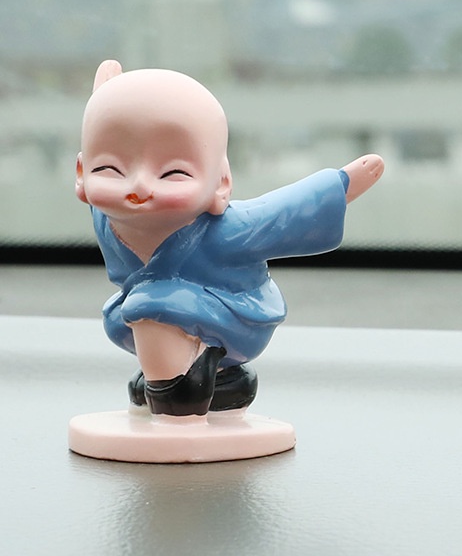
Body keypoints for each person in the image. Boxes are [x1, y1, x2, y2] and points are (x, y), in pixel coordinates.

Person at [76, 60, 384, 417]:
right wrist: (106, 96)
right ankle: (208, 377)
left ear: (221, 183)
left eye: (173, 173)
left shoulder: (226, 229)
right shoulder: (108, 217)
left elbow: (281, 212)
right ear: (81, 173)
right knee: (123, 315)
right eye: (109, 169)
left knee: (149, 303)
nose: (139, 186)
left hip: (234, 315)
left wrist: (341, 185)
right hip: (150, 314)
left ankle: (179, 394)